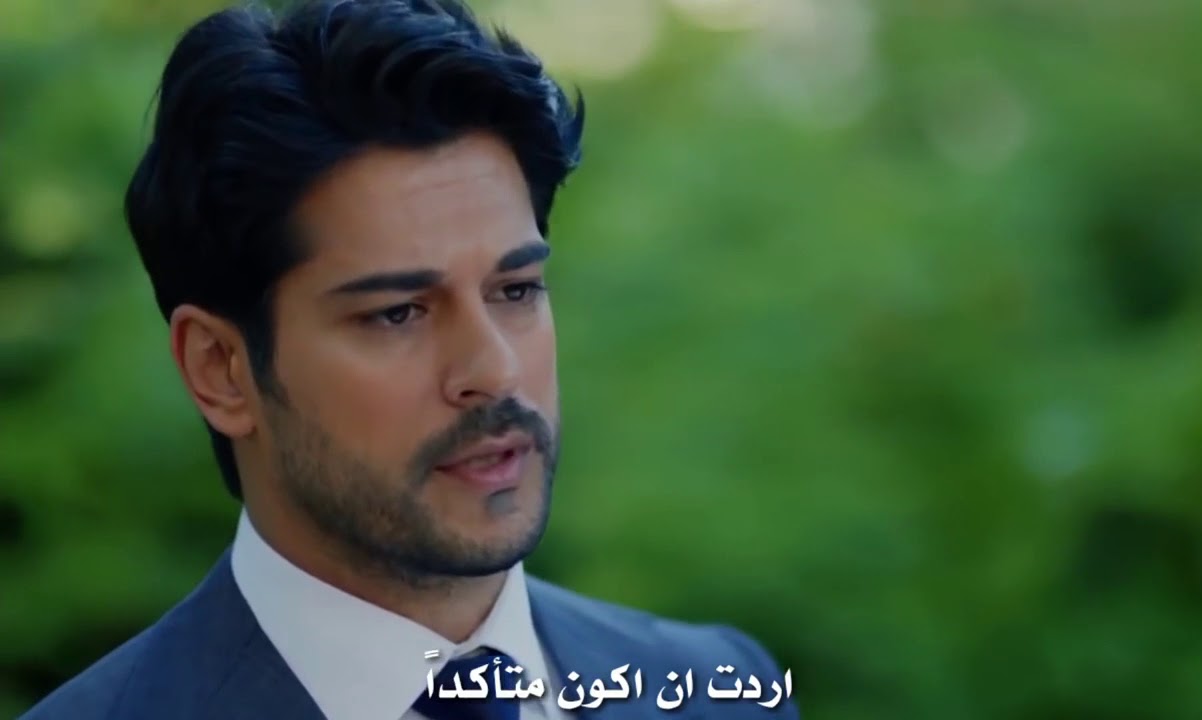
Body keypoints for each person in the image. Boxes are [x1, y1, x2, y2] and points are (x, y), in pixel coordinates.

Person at [19, 1, 797, 718]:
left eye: (516, 290)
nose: (494, 371)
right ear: (221, 369)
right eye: (398, 312)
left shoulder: (718, 690)